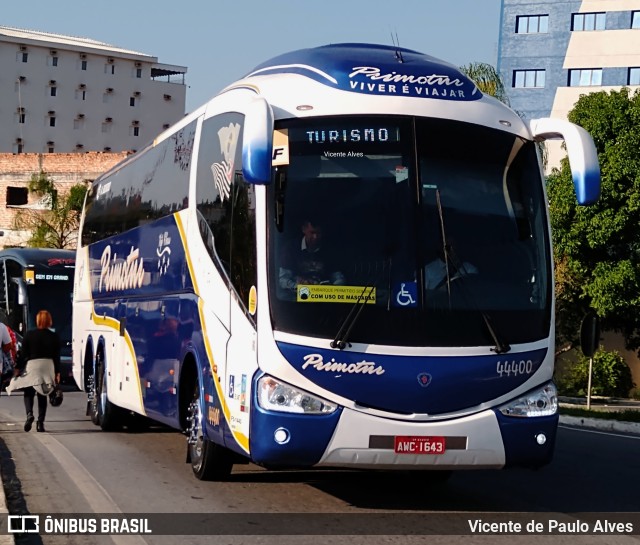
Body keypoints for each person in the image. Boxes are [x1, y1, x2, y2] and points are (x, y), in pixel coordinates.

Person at [7, 310, 61, 433]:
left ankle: (29, 414)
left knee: (28, 392)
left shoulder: (29, 335)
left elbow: (23, 355)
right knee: (43, 394)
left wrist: (17, 368)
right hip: (48, 366)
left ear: (37, 321)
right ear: (49, 321)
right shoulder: (54, 337)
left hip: (33, 365)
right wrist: (57, 372)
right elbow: (56, 357)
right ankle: (40, 424)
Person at [279, 218, 345, 292]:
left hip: (323, 296)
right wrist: (300, 288)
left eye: (318, 233)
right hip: (296, 297)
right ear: (304, 229)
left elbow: (338, 277)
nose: (315, 237)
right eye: (312, 232)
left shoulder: (329, 250)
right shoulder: (291, 248)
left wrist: (332, 289)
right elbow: (283, 279)